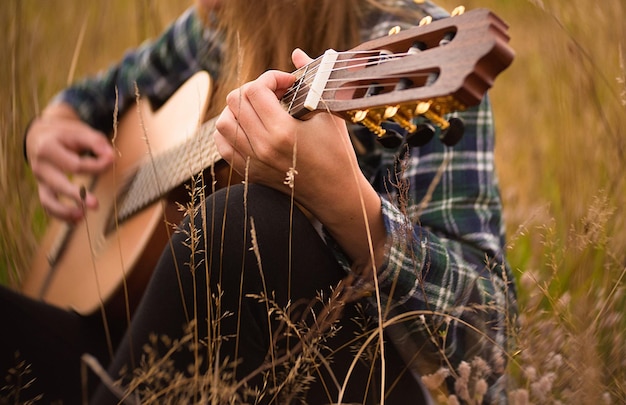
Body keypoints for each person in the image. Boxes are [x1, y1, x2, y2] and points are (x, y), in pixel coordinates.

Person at [3, 0, 517, 403]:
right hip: (176, 360)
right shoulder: (216, 22)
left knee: (240, 222)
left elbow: (487, 335)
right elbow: (92, 99)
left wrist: (347, 203)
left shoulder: (407, 40)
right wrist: (49, 127)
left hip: (340, 384)